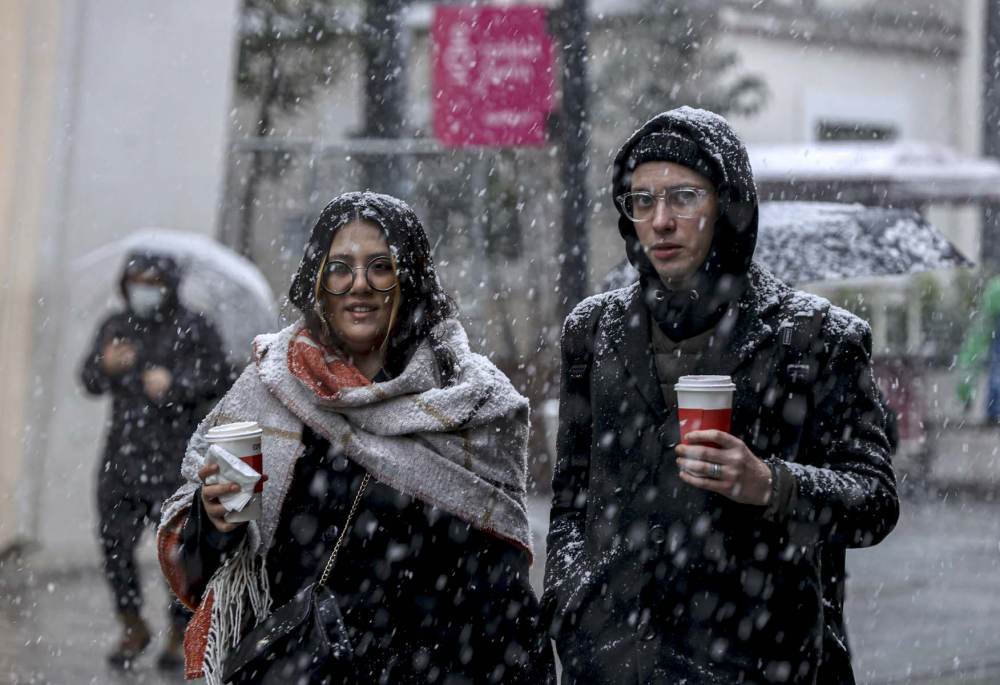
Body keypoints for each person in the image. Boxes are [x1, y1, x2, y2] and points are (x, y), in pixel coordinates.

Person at [542, 107, 899, 684]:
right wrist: (570, 603)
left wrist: (772, 484)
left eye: (683, 197)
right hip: (616, 660)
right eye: (641, 200)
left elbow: (876, 500)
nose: (660, 220)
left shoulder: (818, 337)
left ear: (727, 203)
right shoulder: (592, 329)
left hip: (760, 655)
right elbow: (571, 500)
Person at [156, 192, 555, 684]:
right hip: (297, 668)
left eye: (380, 267)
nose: (359, 285)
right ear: (318, 283)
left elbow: (501, 587)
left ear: (409, 280)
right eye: (339, 267)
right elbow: (208, 569)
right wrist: (213, 519)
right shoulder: (270, 388)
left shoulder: (473, 401)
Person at [80, 250, 232, 669]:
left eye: (152, 281)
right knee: (114, 546)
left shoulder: (196, 327)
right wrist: (105, 365)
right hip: (121, 460)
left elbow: (222, 378)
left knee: (179, 552)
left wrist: (175, 383)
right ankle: (132, 625)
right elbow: (89, 379)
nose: (143, 290)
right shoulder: (115, 326)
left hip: (174, 461)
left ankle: (177, 630)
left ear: (169, 283)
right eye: (135, 281)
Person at [956, 274, 1000, 423]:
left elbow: (979, 337)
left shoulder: (995, 288)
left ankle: (994, 410)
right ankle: (994, 410)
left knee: (996, 367)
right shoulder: (995, 288)